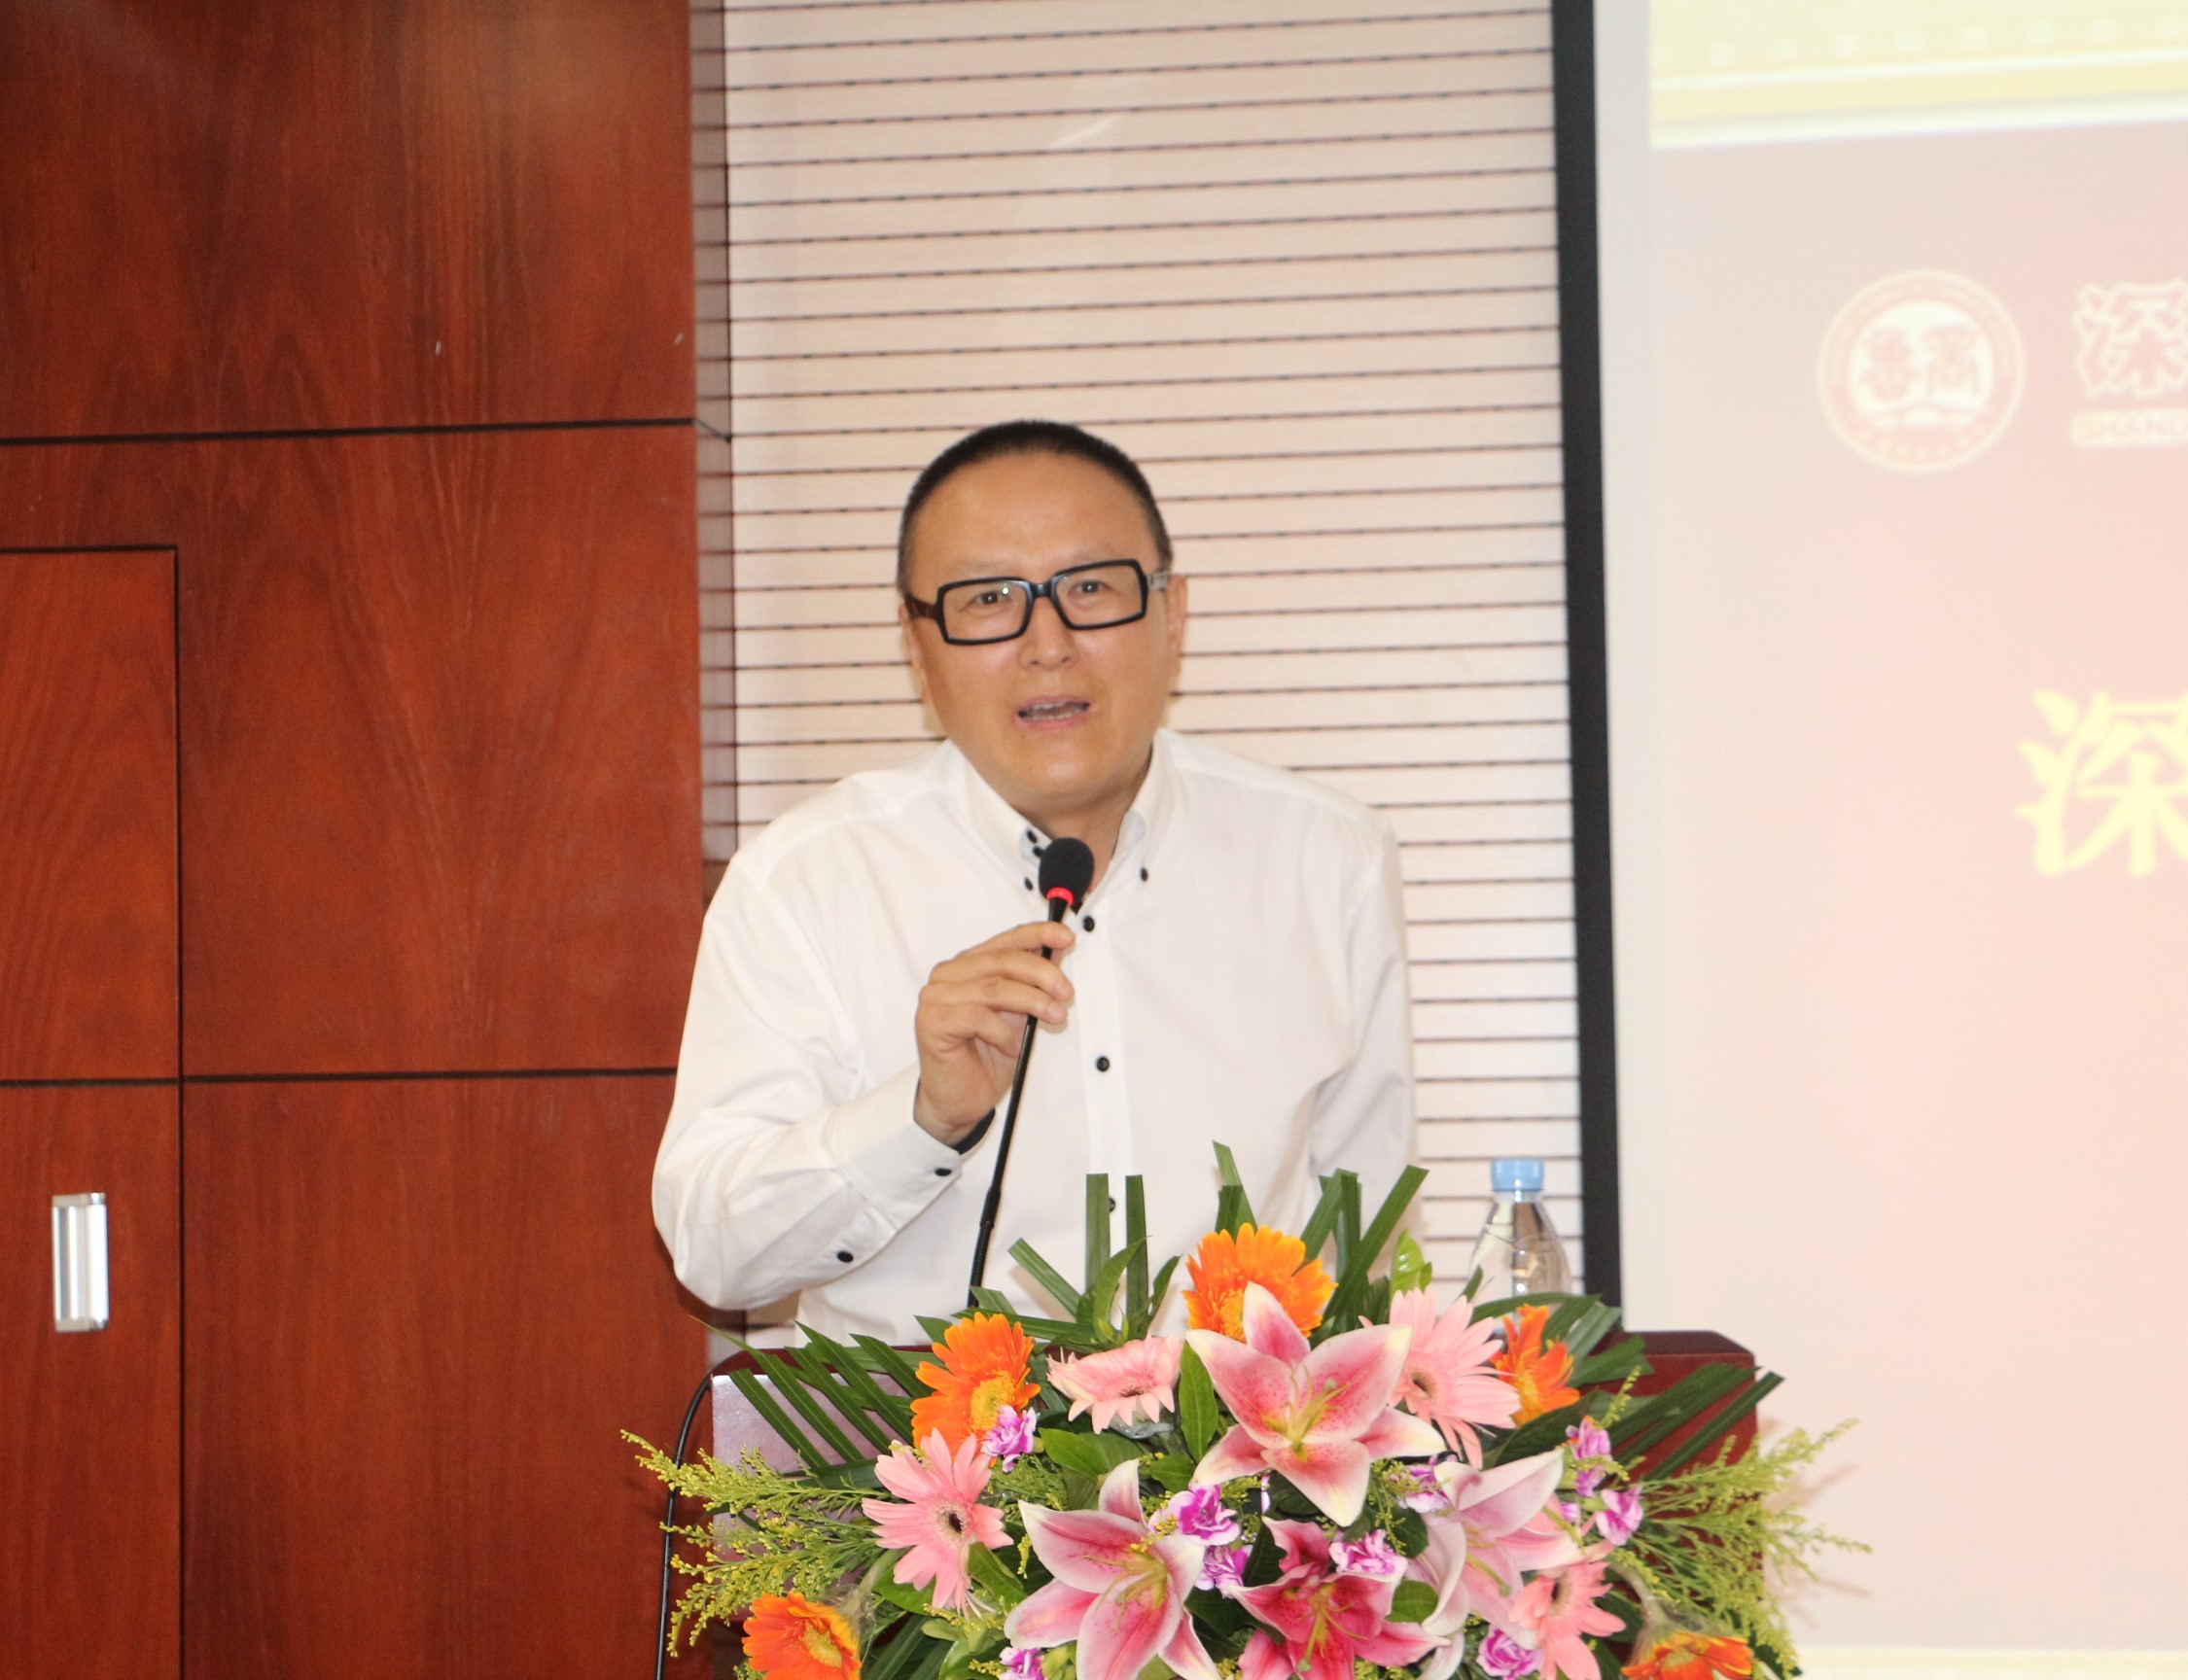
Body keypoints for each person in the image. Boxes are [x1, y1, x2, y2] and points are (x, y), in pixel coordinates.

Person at [653, 420, 1413, 1343]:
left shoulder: (1326, 860)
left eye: (1091, 588)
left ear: (1172, 614)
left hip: (1238, 1436)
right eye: (988, 599)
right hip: (912, 1432)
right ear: (916, 644)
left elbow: (1368, 1235)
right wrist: (922, 1118)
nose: (1047, 643)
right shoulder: (804, 882)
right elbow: (714, 1250)